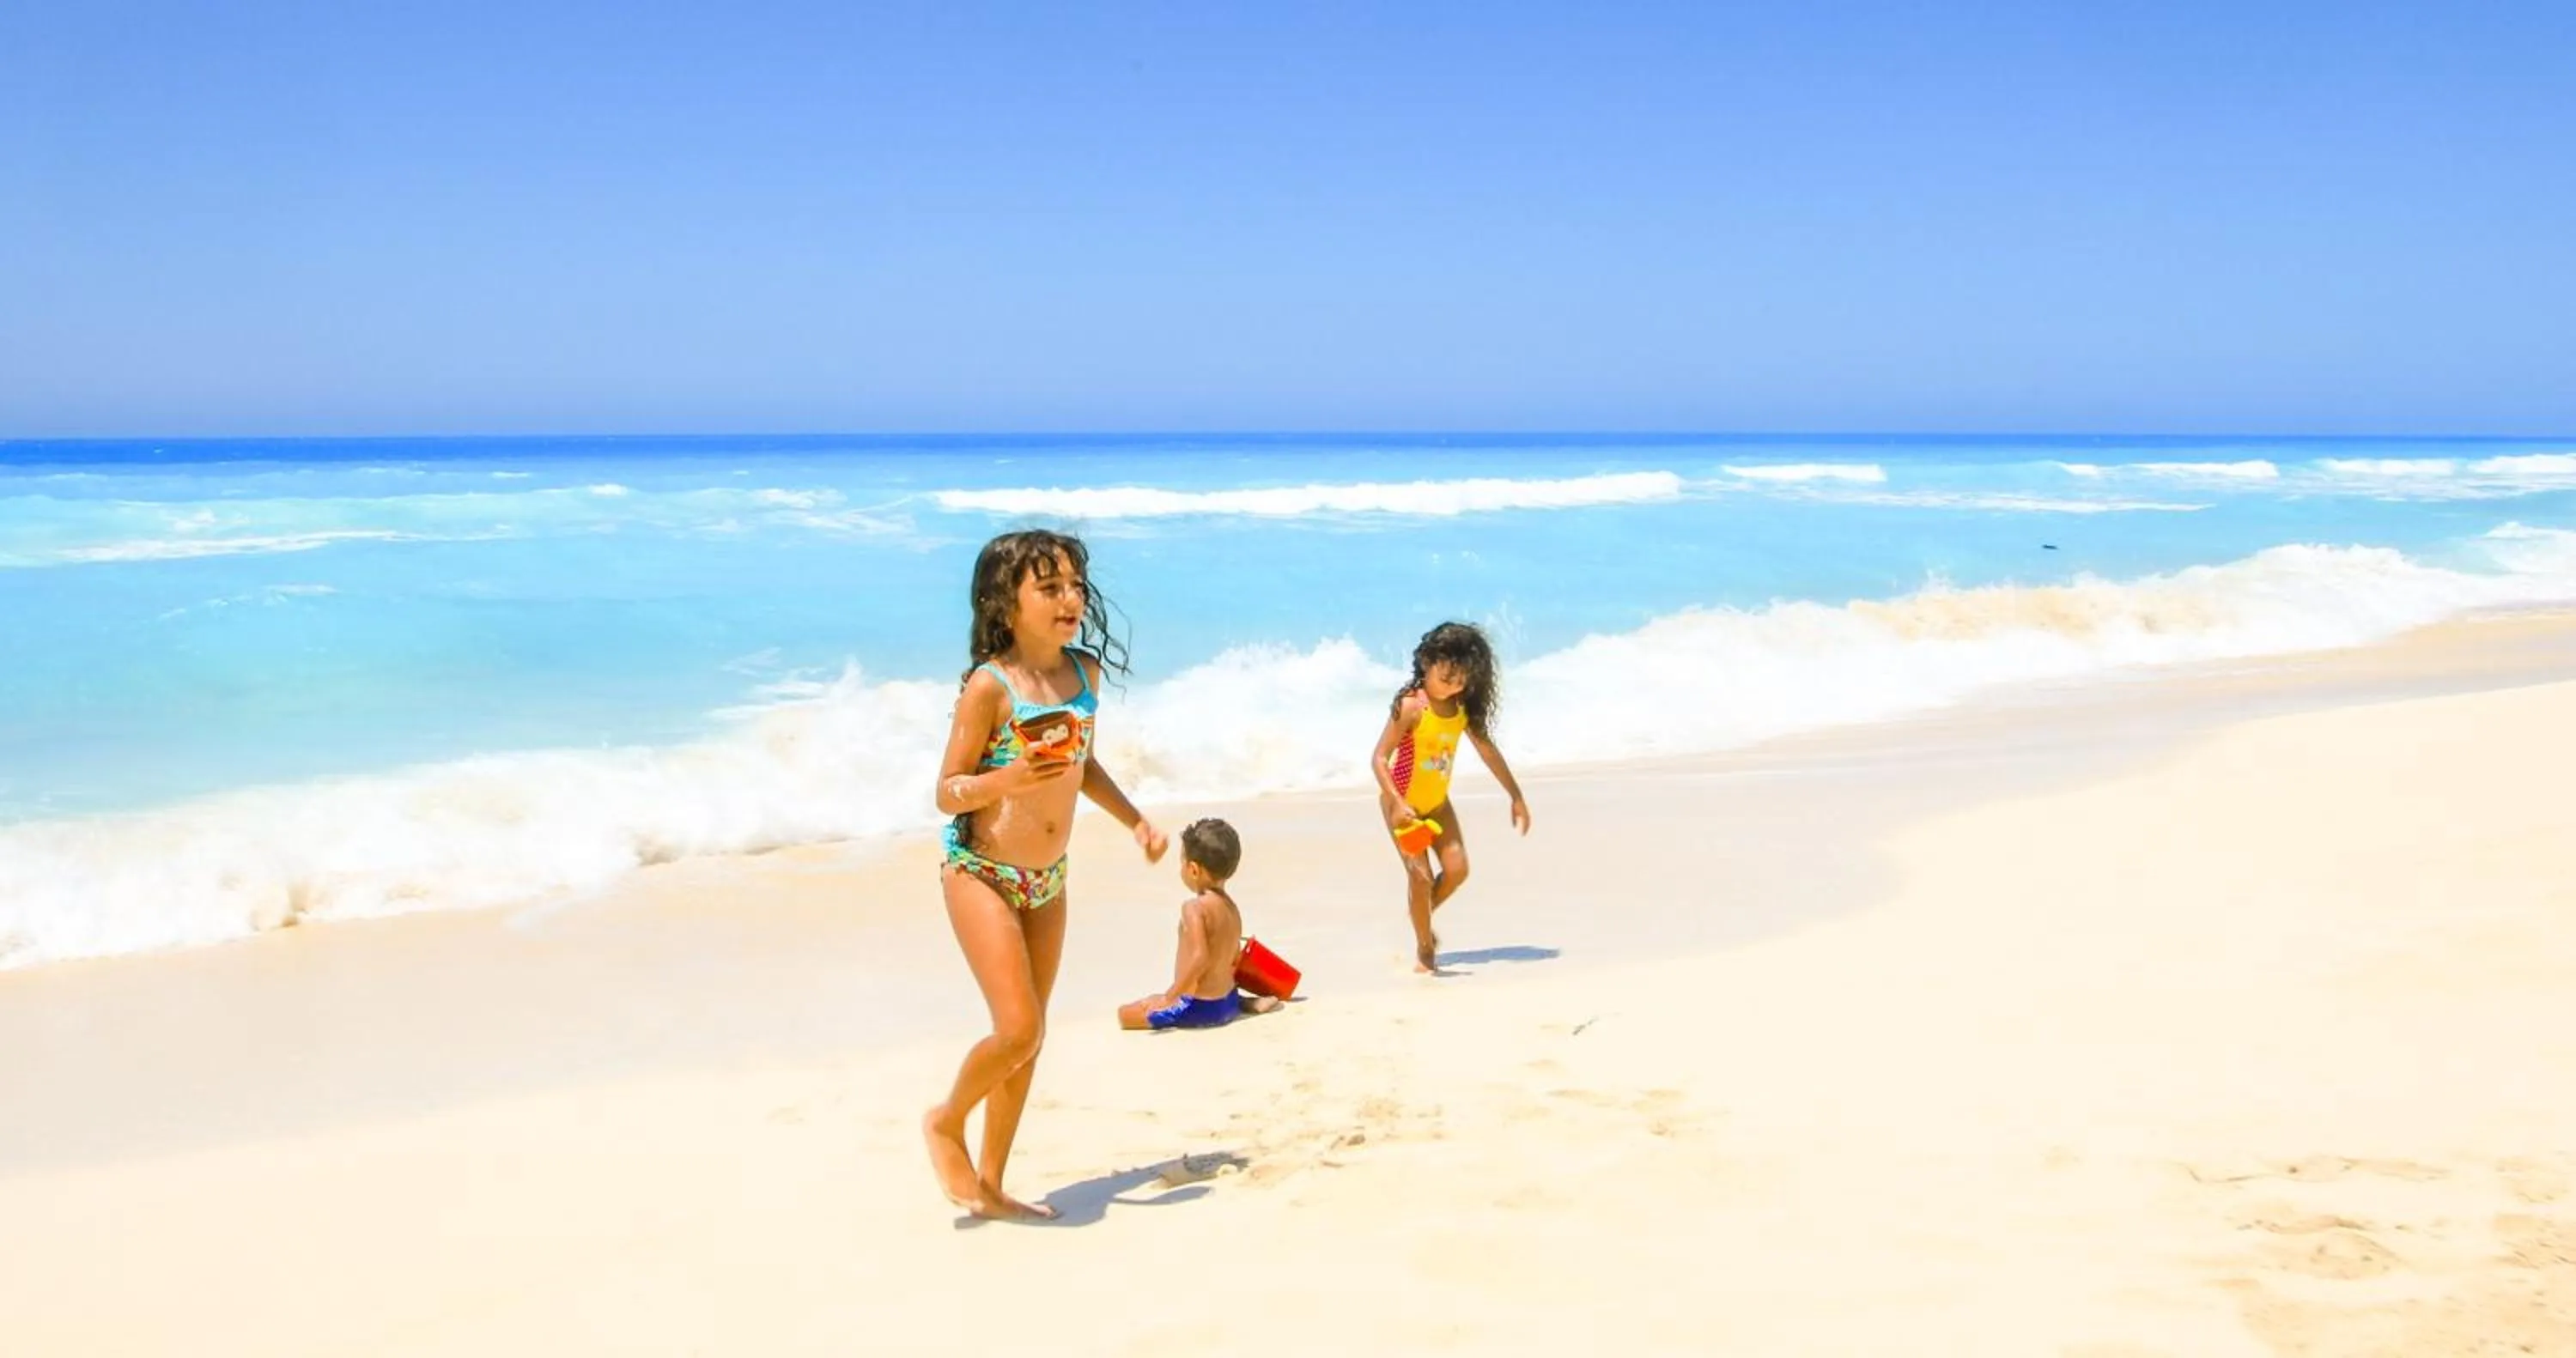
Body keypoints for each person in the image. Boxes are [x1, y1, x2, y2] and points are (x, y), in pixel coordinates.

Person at [923, 529, 1167, 1221]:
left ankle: (992, 1183)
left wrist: (1135, 821)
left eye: (1075, 586)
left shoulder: (1083, 675)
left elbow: (1083, 766)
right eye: (1050, 587)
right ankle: (945, 1120)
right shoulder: (990, 687)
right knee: (1018, 1028)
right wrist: (1008, 779)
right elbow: (946, 792)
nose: (1070, 600)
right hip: (981, 872)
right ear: (1006, 603)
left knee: (1030, 1039)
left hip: (1048, 880)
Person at [1370, 621, 1531, 973]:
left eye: (1460, 681)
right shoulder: (1412, 706)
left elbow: (1488, 752)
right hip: (1403, 806)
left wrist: (1515, 795)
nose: (1453, 687)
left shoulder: (1460, 710)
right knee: (1421, 877)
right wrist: (1397, 801)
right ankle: (1425, 949)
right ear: (1426, 663)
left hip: (1439, 805)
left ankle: (1420, 913)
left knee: (1457, 870)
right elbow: (1379, 758)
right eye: (1446, 679)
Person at [1118, 817, 1284, 1031]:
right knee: (1158, 998)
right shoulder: (1232, 908)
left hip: (1199, 1009)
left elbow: (1200, 957)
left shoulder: (1194, 908)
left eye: (1182, 863)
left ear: (1194, 870)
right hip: (1227, 1001)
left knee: (1126, 1014)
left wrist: (1170, 997)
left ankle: (1231, 1004)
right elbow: (1234, 957)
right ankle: (1245, 1003)